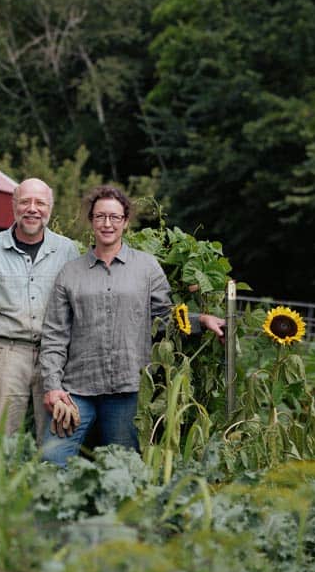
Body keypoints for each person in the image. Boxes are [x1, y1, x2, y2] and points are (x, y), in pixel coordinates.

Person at [40, 185, 225, 467]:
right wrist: (53, 386)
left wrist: (200, 320)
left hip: (128, 389)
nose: (107, 224)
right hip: (76, 389)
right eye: (100, 216)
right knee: (52, 459)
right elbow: (54, 335)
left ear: (126, 221)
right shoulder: (71, 273)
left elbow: (163, 319)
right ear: (91, 220)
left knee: (124, 469)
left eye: (115, 217)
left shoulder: (147, 268)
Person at [0, 178, 79, 444]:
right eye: (25, 201)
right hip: (6, 356)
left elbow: (77, 307)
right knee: (2, 440)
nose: (32, 208)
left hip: (56, 358)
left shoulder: (68, 251)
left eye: (40, 203)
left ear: (50, 208)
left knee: (56, 439)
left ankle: (48, 486)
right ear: (14, 206)